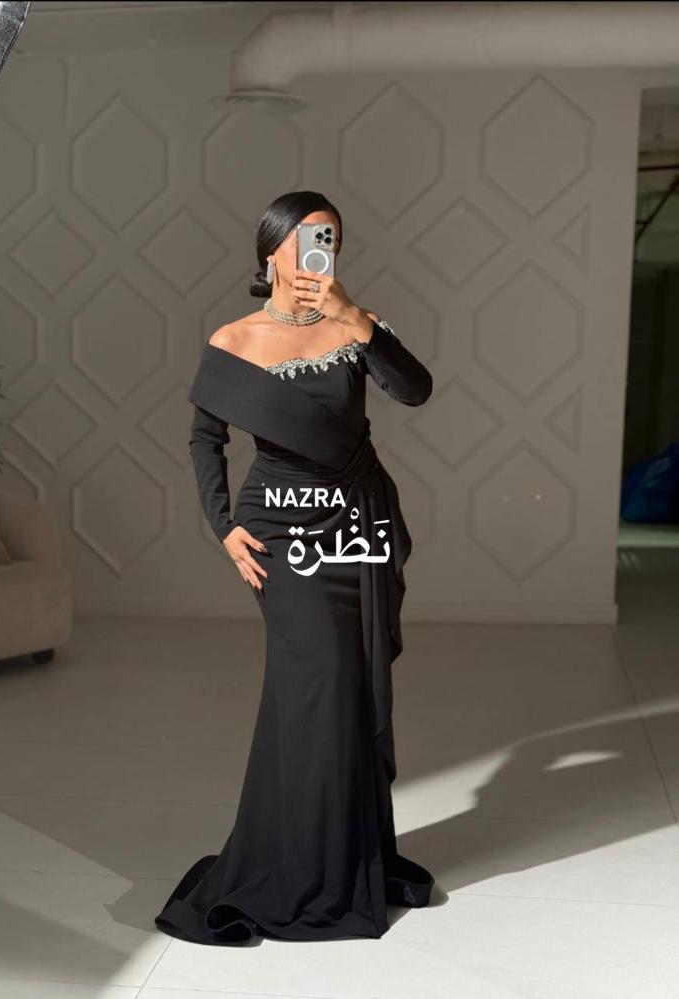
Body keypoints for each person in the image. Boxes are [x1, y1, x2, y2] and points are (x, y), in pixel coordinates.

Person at [154, 190, 435, 946]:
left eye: (332, 238)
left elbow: (415, 390)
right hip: (283, 533)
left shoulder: (355, 325)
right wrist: (224, 527)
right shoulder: (235, 338)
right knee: (316, 690)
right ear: (272, 249)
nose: (321, 251)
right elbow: (204, 440)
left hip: (357, 526)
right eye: (309, 237)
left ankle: (345, 860)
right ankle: (294, 870)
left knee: (350, 690)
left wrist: (358, 321)